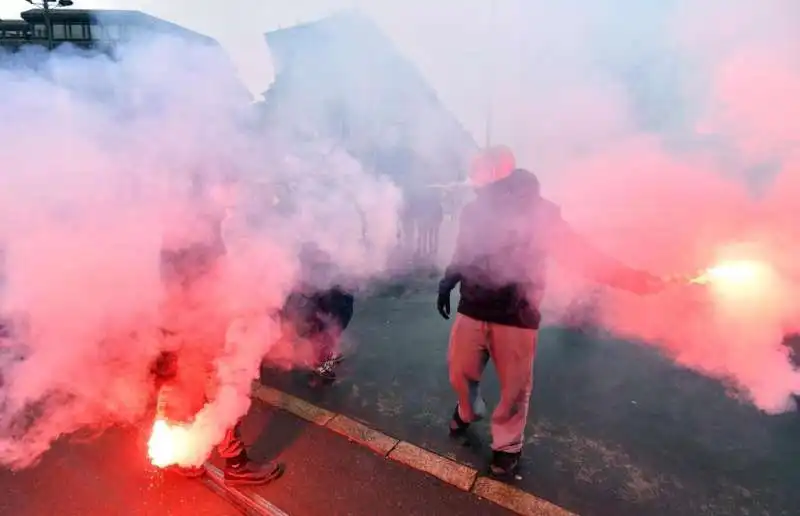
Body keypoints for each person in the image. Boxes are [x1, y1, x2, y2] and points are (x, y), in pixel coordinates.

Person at [436, 146, 665, 479]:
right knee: (459, 372)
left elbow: (580, 254)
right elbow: (463, 250)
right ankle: (467, 410)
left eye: (479, 170)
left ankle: (507, 447)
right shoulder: (474, 211)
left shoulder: (540, 213)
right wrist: (447, 281)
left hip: (516, 315)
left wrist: (632, 280)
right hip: (471, 307)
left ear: (502, 168)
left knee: (514, 390)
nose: (473, 177)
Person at [154, 177, 284, 485]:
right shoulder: (197, 230)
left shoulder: (185, 225)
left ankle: (183, 455)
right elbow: (205, 279)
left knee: (189, 384)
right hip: (200, 322)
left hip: (187, 322)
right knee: (224, 385)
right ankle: (235, 463)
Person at [280, 242, 355, 382]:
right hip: (330, 301)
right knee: (323, 326)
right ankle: (326, 357)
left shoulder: (333, 287)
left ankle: (325, 360)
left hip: (333, 303)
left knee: (327, 328)